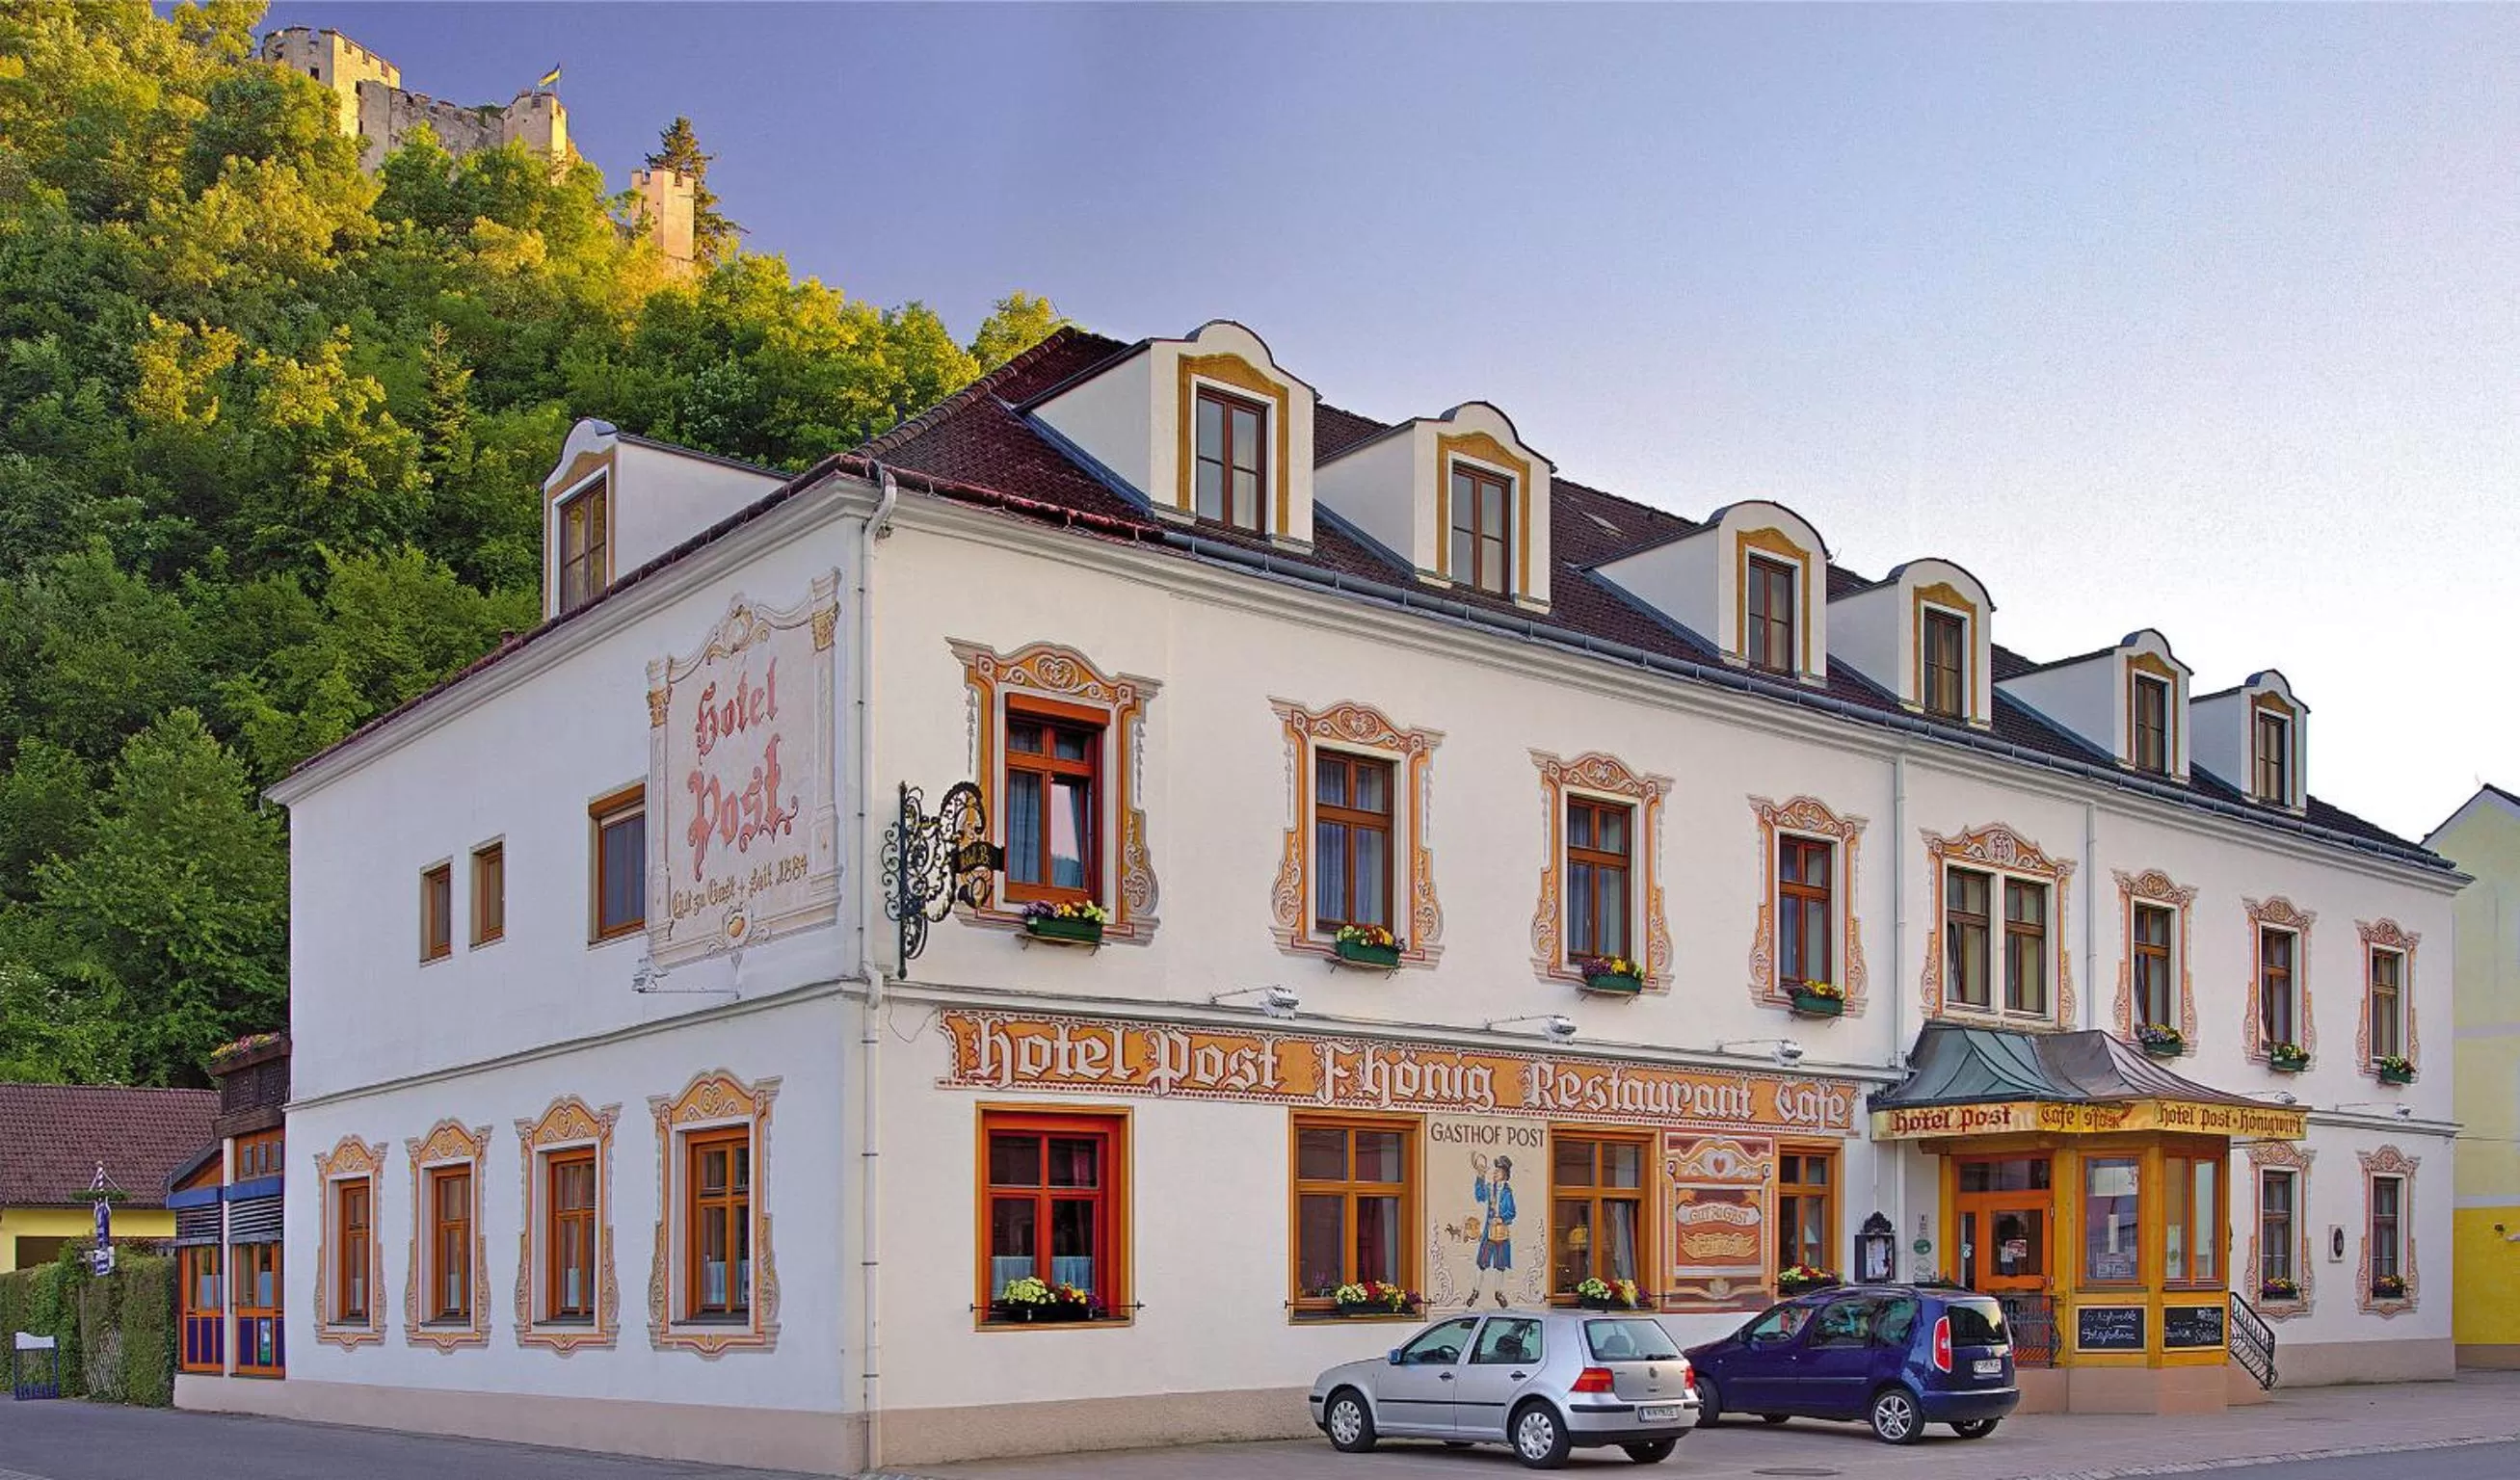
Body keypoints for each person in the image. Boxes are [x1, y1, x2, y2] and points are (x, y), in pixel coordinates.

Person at [1464, 1153, 1517, 1308]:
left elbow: (1512, 1212)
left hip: (1501, 1233)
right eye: (1494, 1172)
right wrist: (1480, 1176)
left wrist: (1502, 1218)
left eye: (1498, 1172)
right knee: (1482, 1262)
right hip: (1489, 1232)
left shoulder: (1508, 1192)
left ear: (1505, 1175)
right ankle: (1475, 1291)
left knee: (1500, 1264)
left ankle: (1499, 1293)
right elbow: (1479, 1196)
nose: (1495, 1174)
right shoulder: (1490, 1188)